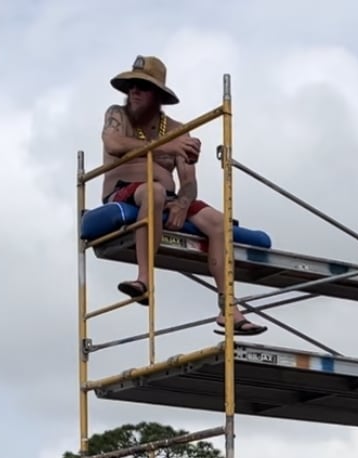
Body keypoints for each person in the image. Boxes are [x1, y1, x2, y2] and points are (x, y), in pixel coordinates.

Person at [99, 55, 265, 336]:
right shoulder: (117, 114)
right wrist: (164, 147)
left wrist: (183, 202)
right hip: (126, 191)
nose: (135, 91)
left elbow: (188, 182)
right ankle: (144, 281)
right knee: (154, 191)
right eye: (132, 86)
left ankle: (229, 308)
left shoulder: (178, 130)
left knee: (217, 221)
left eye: (143, 86)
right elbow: (113, 144)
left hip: (169, 196)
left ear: (158, 96)